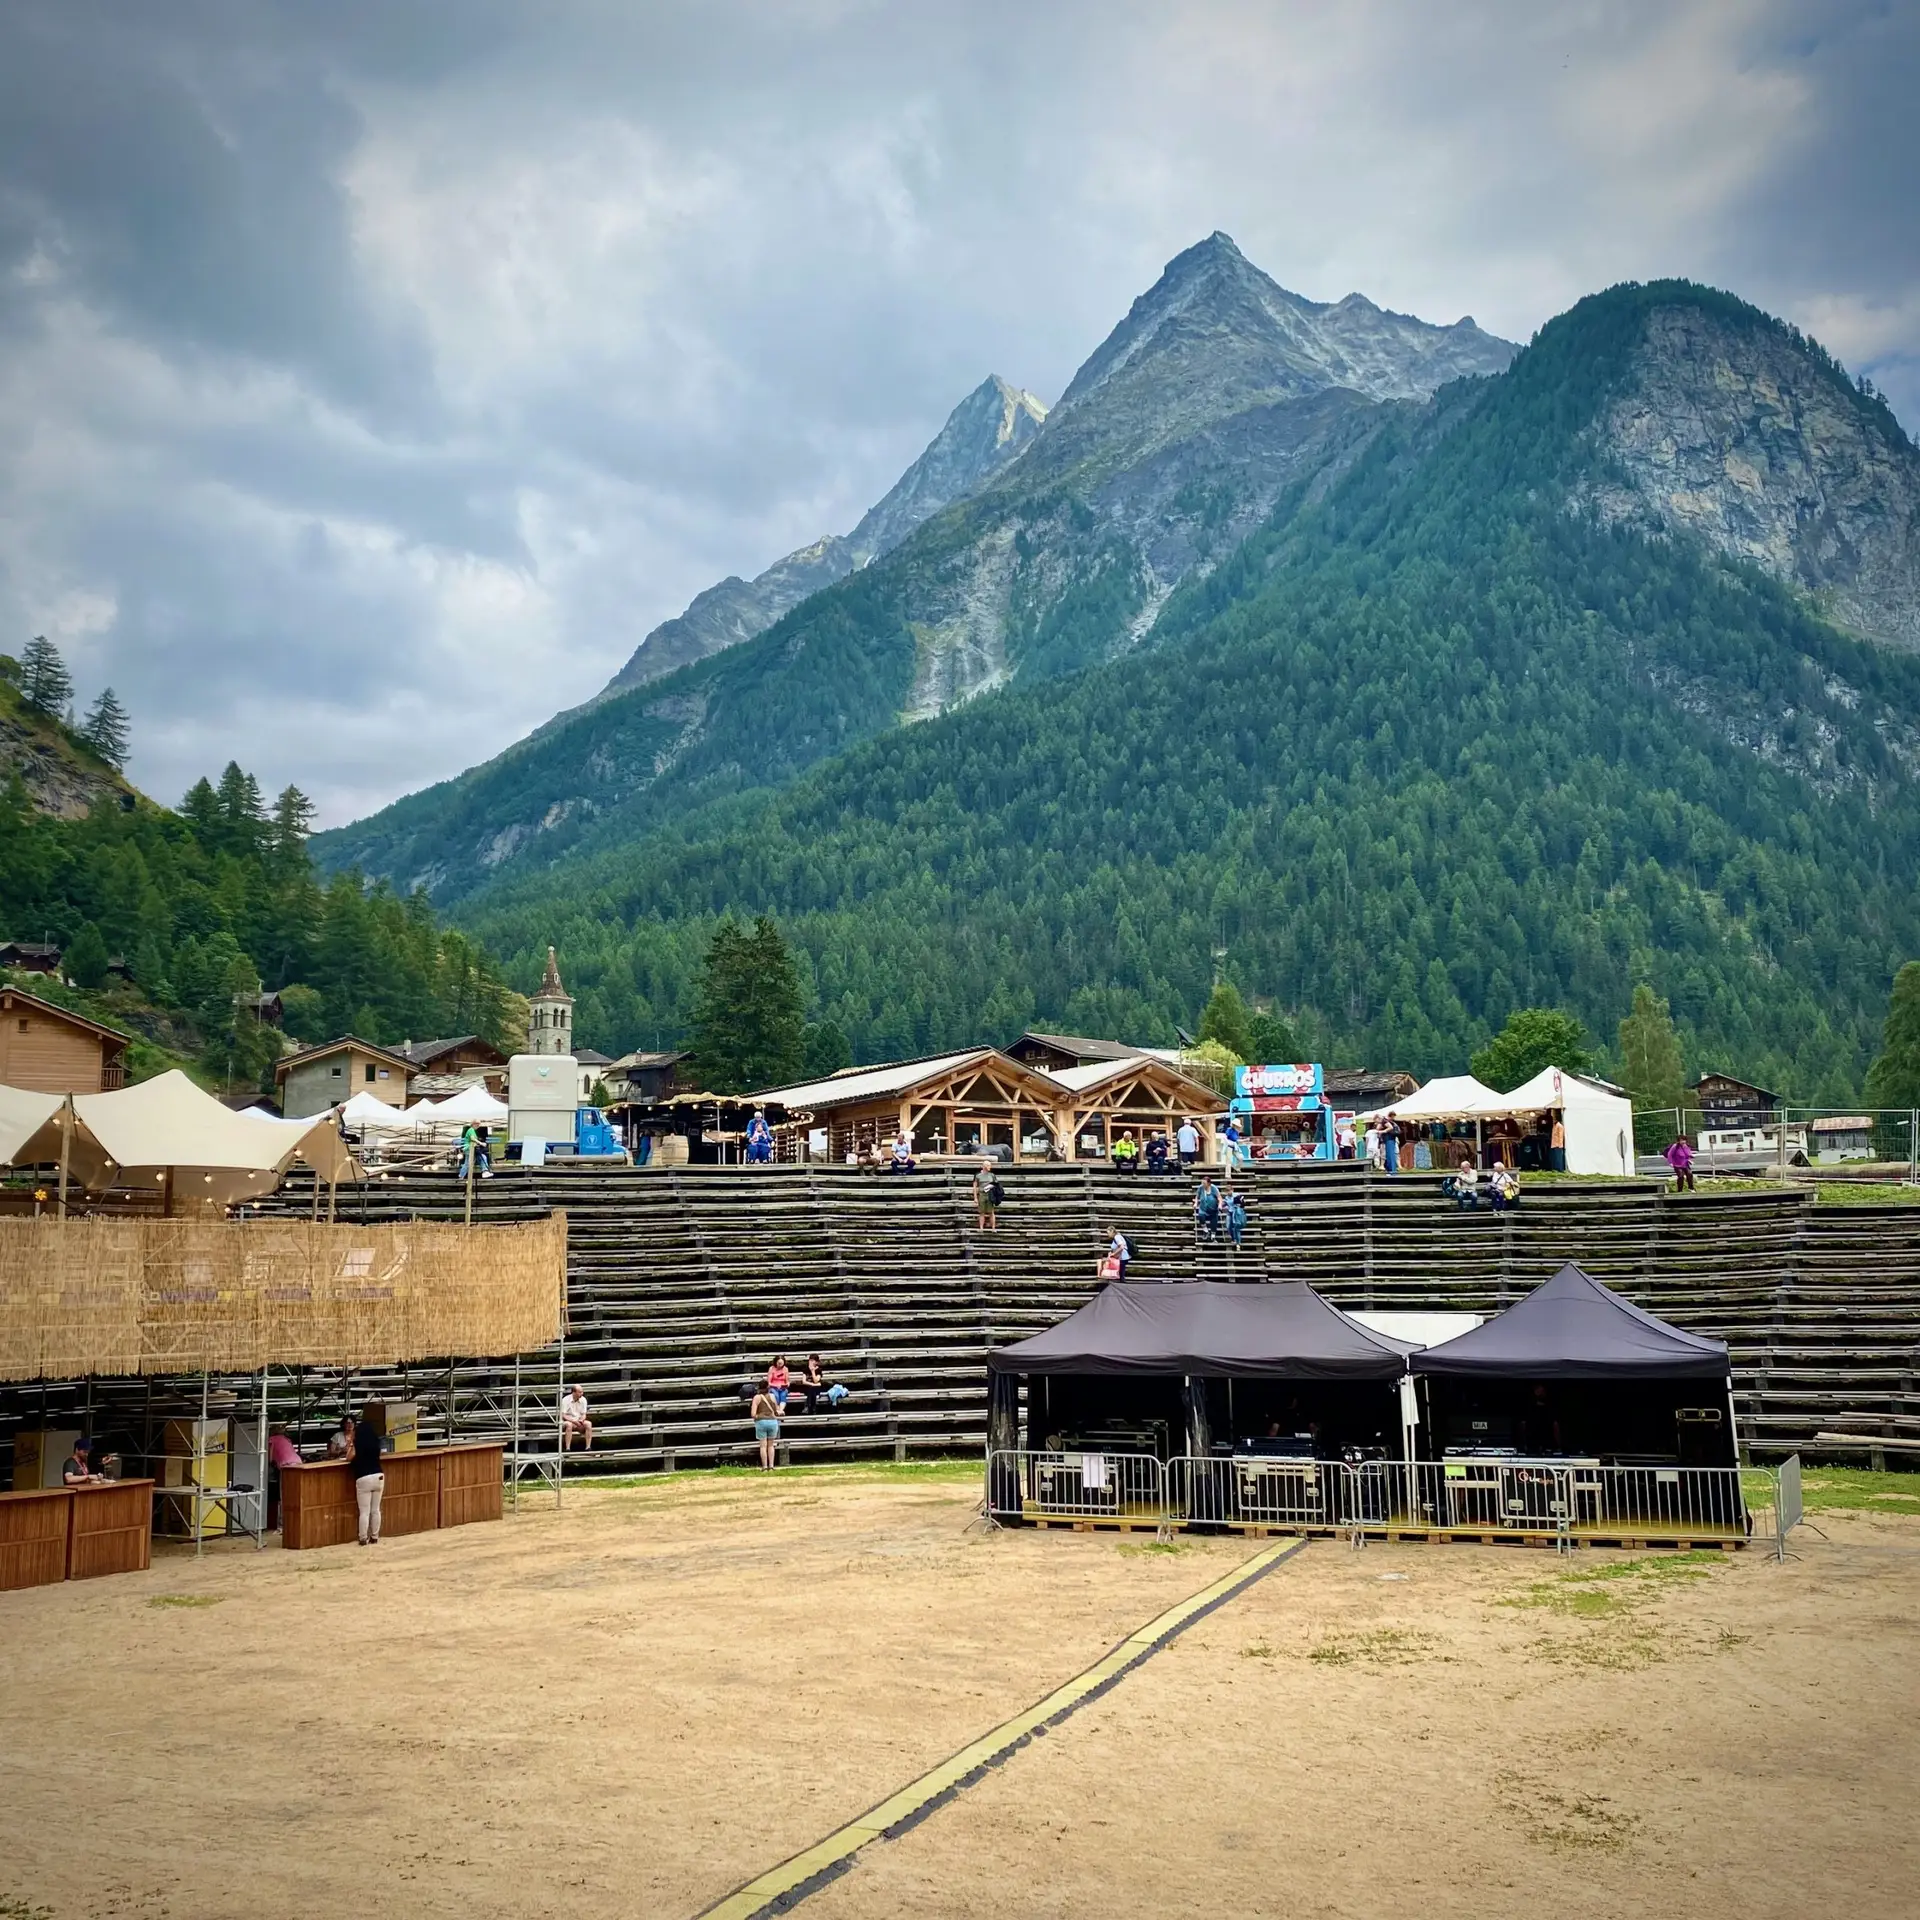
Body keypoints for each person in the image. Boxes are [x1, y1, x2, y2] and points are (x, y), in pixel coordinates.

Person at [351, 1404, 386, 1546]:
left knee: (364, 1511)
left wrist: (351, 1444)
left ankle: (363, 1537)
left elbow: (349, 1457)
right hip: (378, 1475)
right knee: (375, 1509)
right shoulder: (376, 1443)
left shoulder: (357, 1444)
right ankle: (375, 1536)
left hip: (363, 1477)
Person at [751, 1386, 781, 1469]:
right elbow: (776, 1410)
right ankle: (771, 1466)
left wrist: (758, 1416)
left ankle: (764, 1466)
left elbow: (753, 1414)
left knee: (763, 1446)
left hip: (761, 1422)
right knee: (771, 1445)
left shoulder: (757, 1398)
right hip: (772, 1421)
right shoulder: (773, 1396)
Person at [972, 1158, 1002, 1232]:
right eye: (988, 1165)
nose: (990, 1167)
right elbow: (975, 1186)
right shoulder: (978, 1175)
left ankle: (993, 1228)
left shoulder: (992, 1175)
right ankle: (981, 1228)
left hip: (990, 1195)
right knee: (981, 1212)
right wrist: (975, 1198)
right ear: (984, 1166)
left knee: (991, 1212)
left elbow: (996, 1184)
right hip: (982, 1195)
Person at [560, 1384, 593, 1452]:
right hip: (567, 1421)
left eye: (582, 1392)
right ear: (574, 1392)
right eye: (580, 1392)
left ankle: (588, 1447)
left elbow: (584, 1414)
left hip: (578, 1420)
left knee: (588, 1424)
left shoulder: (583, 1399)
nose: (582, 1393)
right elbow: (563, 1415)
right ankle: (568, 1448)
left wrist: (581, 1420)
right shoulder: (565, 1400)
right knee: (569, 1425)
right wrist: (573, 1421)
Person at [1194, 1176, 1222, 1242]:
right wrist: (1195, 1203)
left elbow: (1219, 1198)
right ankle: (1205, 1231)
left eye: (1204, 1183)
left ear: (1209, 1183)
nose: (1203, 1184)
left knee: (1214, 1223)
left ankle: (1213, 1236)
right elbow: (1197, 1197)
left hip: (1213, 1209)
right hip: (1203, 1208)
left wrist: (1220, 1205)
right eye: (1202, 1183)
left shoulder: (1214, 1188)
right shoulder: (1201, 1188)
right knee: (1201, 1216)